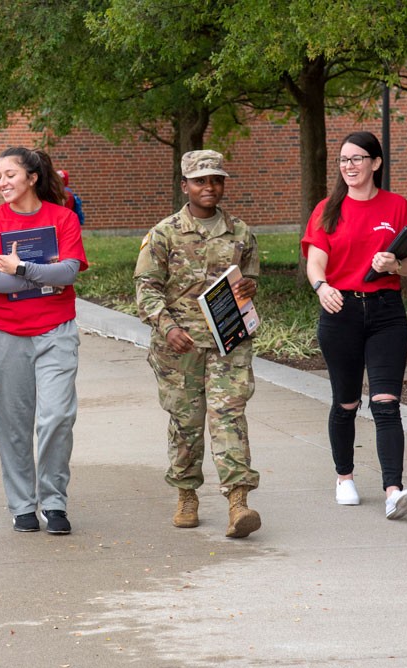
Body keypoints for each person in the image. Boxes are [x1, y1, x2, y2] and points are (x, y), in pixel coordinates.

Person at [134, 150, 262, 539]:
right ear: (185, 185)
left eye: (216, 180)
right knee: (186, 422)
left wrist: (250, 287)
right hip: (180, 345)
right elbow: (145, 288)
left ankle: (238, 501)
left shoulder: (240, 232)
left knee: (229, 417)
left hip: (229, 342)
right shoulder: (164, 233)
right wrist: (166, 326)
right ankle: (187, 494)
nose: (210, 187)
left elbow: (250, 278)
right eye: (201, 180)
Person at [301, 130, 407, 520]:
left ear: (375, 163)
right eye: (343, 160)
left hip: (387, 312)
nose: (348, 166)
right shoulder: (327, 209)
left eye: (356, 159)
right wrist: (321, 287)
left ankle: (393, 491)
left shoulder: (397, 206)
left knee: (386, 404)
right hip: (341, 312)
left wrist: (395, 265)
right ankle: (344, 478)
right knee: (346, 403)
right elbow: (316, 262)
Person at [0, 147, 87, 535]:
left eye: (10, 175)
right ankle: (23, 505)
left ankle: (53, 502)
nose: (2, 182)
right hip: (6, 334)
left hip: (56, 331)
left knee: (57, 417)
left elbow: (69, 272)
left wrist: (21, 268)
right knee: (14, 423)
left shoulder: (63, 218)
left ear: (32, 177)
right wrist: (43, 276)